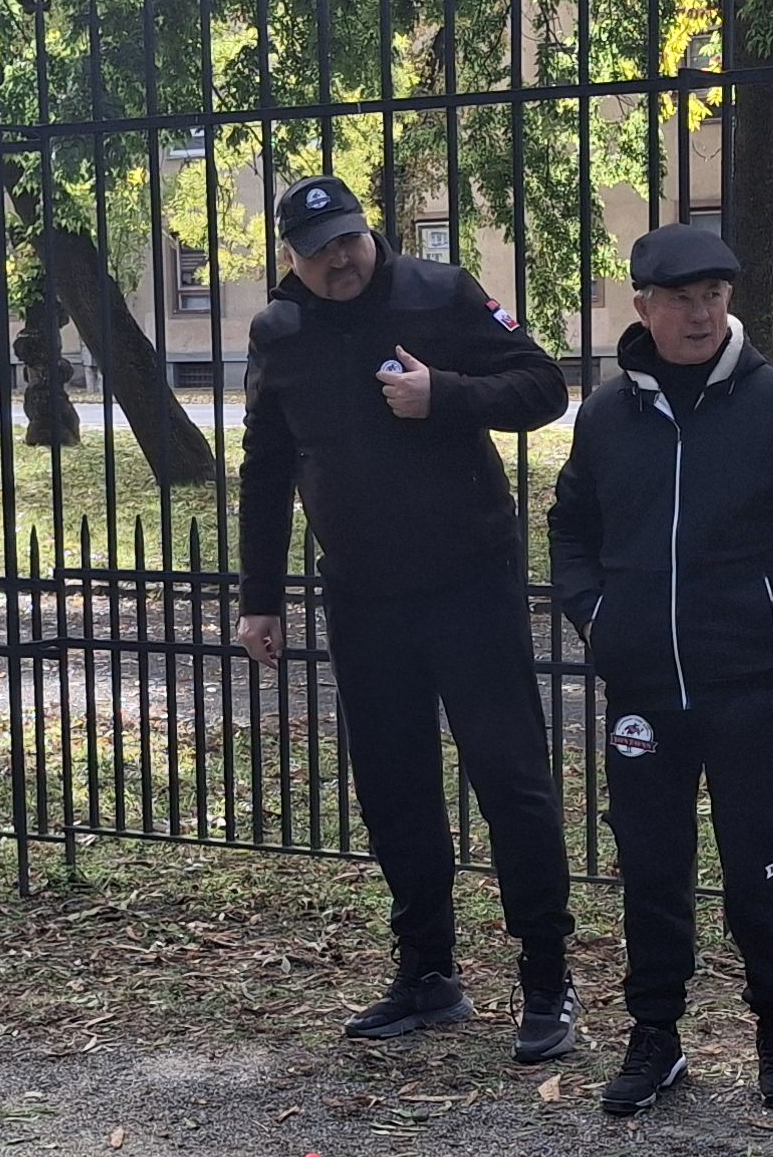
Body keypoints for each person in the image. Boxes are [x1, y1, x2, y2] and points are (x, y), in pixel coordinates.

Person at [233, 176, 585, 1060]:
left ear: (369, 233)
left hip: (471, 581)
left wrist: (448, 394)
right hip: (363, 593)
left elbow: (544, 386)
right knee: (394, 786)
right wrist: (259, 598)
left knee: (509, 778)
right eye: (318, 251)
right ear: (291, 259)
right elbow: (266, 468)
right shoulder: (280, 332)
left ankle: (547, 976)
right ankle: (428, 973)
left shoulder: (441, 292)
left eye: (348, 241)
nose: (340, 261)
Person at [546, 223, 773, 1115]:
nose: (700, 315)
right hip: (644, 690)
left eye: (714, 297)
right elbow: (570, 527)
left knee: (762, 865)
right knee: (652, 869)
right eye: (682, 300)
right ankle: (656, 1036)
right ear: (643, 306)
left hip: (748, 683)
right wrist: (597, 616)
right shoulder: (607, 414)